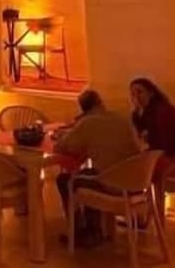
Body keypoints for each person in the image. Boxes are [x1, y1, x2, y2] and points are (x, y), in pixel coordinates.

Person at [54, 89, 141, 246]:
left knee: (65, 180)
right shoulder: (121, 118)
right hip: (137, 182)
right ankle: (94, 229)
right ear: (100, 102)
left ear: (83, 108)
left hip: (113, 185)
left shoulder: (88, 123)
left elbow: (63, 147)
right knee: (89, 174)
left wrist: (67, 133)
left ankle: (81, 232)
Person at [129, 78, 175, 165]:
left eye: (140, 92)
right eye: (133, 94)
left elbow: (166, 145)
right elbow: (142, 141)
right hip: (164, 156)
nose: (136, 97)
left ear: (151, 93)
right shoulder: (141, 115)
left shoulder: (163, 111)